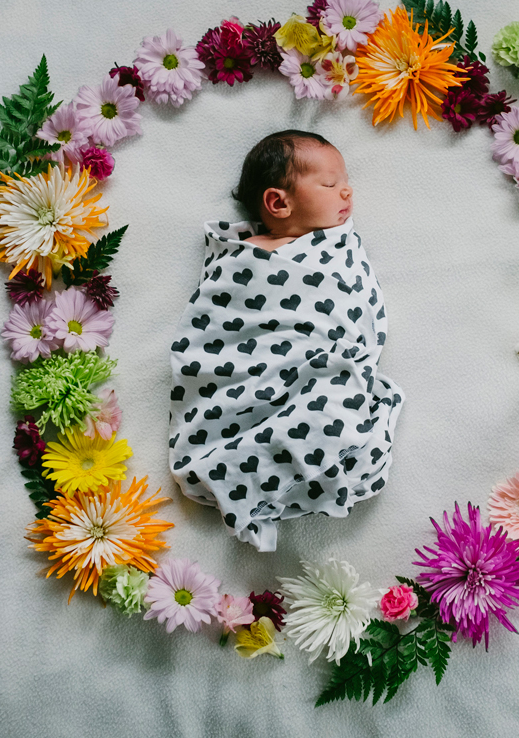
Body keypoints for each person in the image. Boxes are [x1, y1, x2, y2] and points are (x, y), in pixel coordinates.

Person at [167, 130, 403, 551]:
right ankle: (242, 462)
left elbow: (342, 303)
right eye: (330, 184)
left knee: (332, 403)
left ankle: (273, 467)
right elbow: (221, 327)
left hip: (318, 355)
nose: (346, 190)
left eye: (344, 180)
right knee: (314, 411)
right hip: (253, 370)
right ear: (278, 202)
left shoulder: (332, 247)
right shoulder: (242, 255)